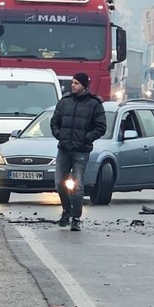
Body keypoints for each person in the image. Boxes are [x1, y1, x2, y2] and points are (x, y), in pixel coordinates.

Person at [49, 72, 106, 231]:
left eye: (76, 83)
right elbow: (54, 122)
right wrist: (59, 134)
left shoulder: (95, 104)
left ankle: (75, 218)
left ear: (84, 86)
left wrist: (87, 138)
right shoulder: (64, 102)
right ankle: (66, 211)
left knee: (77, 185)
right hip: (64, 149)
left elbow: (101, 127)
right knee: (59, 183)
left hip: (81, 150)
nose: (73, 85)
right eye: (72, 83)